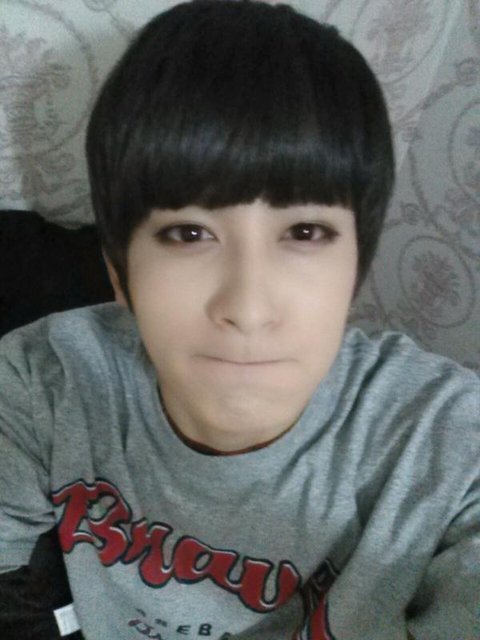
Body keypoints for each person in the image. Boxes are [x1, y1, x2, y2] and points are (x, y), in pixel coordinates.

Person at [0, 1, 478, 639]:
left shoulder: (446, 445)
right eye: (188, 233)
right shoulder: (43, 385)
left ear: (356, 268)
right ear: (119, 272)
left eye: (304, 232)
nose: (248, 309)